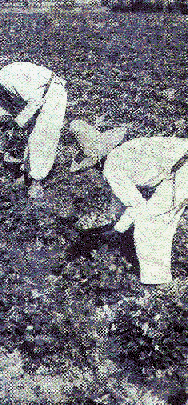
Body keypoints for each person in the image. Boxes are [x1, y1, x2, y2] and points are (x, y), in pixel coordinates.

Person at [70, 119, 188, 285]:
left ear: (96, 161)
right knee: (163, 217)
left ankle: (157, 283)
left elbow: (137, 205)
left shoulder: (111, 167)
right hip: (181, 163)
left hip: (182, 171)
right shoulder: (125, 150)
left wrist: (117, 230)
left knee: (150, 224)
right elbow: (129, 198)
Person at [0, 62, 67, 199]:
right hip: (36, 96)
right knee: (31, 135)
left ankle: (37, 183)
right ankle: (27, 175)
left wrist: (18, 122)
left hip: (52, 93)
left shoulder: (7, 80)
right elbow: (4, 117)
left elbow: (35, 101)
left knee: (42, 136)